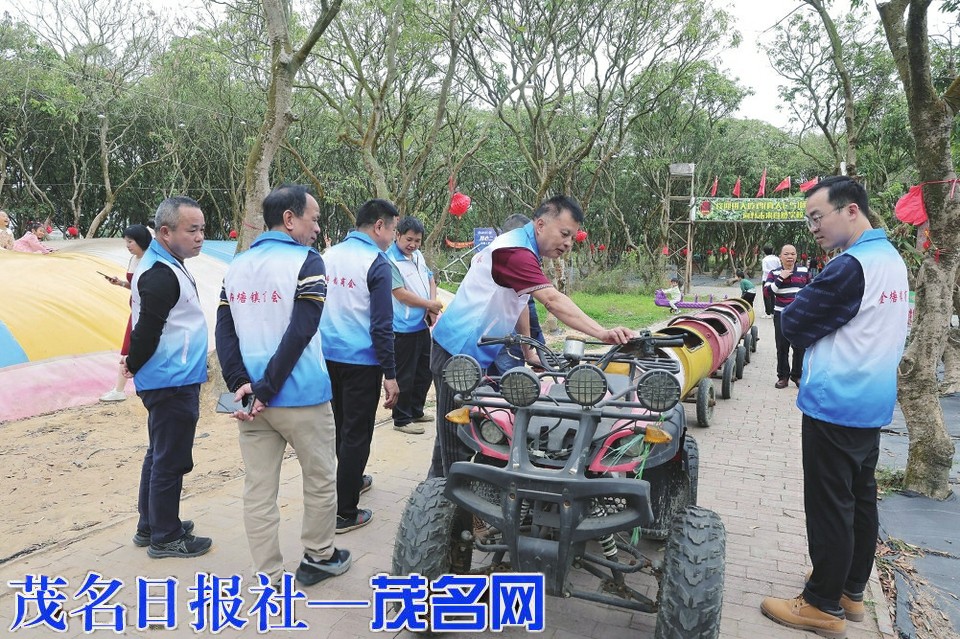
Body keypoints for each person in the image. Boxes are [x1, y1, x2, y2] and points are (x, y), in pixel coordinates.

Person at [761, 177, 908, 638]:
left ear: (850, 211)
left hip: (835, 403)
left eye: (817, 217)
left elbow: (795, 322)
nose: (813, 228)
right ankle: (849, 590)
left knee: (830, 505)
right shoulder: (891, 259)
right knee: (860, 498)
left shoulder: (850, 267)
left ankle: (821, 604)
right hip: (871, 404)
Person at [429, 195, 634, 478]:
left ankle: (440, 488)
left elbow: (521, 301)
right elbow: (552, 300)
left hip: (473, 353)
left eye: (572, 238)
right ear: (540, 225)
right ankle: (443, 499)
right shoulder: (515, 252)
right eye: (564, 233)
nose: (568, 243)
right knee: (456, 438)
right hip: (457, 354)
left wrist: (528, 351)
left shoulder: (524, 248)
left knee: (458, 429)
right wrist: (602, 332)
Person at [216, 184, 350, 587]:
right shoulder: (307, 261)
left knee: (258, 489)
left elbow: (224, 332)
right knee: (320, 479)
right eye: (314, 218)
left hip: (252, 404)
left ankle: (269, 574)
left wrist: (242, 385)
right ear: (289, 219)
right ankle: (320, 556)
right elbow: (301, 330)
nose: (317, 227)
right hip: (302, 397)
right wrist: (267, 387)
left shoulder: (237, 265)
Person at [121, 196, 212, 559]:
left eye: (202, 229)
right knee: (171, 459)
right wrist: (134, 363)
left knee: (159, 453)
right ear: (165, 232)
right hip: (171, 380)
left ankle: (151, 524)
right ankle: (166, 536)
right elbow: (146, 331)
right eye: (192, 230)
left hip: (172, 376)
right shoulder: (160, 274)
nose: (200, 237)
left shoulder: (168, 264)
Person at [319, 199, 400, 533]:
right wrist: (390, 374)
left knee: (340, 426)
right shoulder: (377, 263)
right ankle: (345, 512)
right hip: (361, 362)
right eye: (393, 230)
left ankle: (350, 480)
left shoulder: (327, 256)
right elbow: (382, 325)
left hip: (326, 356)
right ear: (379, 226)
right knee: (357, 433)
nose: (393, 238)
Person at [387, 216, 443, 436]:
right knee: (405, 375)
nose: (413, 244)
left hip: (422, 324)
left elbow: (430, 279)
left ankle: (416, 410)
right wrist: (429, 304)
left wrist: (432, 306)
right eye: (409, 239)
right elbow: (399, 294)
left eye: (417, 240)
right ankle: (401, 419)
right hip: (402, 328)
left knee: (424, 371)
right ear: (398, 235)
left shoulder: (417, 256)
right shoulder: (390, 259)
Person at [488, 213, 546, 377]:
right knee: (512, 385)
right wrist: (536, 348)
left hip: (481, 337)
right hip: (507, 337)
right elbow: (529, 306)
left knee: (488, 383)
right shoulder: (518, 259)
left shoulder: (487, 255)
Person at [101, 224, 153, 402]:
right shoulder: (134, 259)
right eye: (126, 242)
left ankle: (121, 389)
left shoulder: (151, 260)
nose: (128, 246)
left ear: (141, 241)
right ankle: (119, 389)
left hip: (147, 310)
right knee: (128, 348)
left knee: (133, 347)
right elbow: (135, 285)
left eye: (131, 242)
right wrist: (120, 283)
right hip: (135, 308)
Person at [767, 244, 809, 389]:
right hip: (781, 314)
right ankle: (783, 376)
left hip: (799, 315)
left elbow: (811, 289)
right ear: (780, 256)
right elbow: (767, 292)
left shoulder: (804, 271)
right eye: (786, 254)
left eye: (793, 254)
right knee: (782, 346)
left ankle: (797, 375)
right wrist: (780, 278)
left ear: (796, 256)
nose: (790, 257)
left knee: (800, 346)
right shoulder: (774, 273)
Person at [760, 245, 781, 317]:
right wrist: (775, 272)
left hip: (766, 279)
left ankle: (768, 313)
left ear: (764, 252)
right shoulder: (777, 259)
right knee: (773, 296)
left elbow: (764, 269)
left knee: (766, 296)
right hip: (775, 279)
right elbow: (780, 267)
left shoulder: (765, 259)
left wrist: (771, 272)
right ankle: (773, 311)